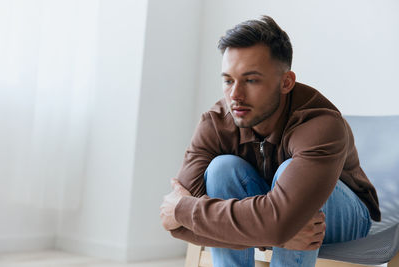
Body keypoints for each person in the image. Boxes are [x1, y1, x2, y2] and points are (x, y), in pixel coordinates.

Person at [160, 15, 380, 267]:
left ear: (286, 82)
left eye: (251, 80)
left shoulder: (320, 125)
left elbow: (181, 213)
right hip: (272, 214)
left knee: (289, 181)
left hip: (343, 219)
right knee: (222, 169)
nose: (235, 95)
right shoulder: (215, 123)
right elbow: (178, 225)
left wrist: (182, 210)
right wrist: (275, 231)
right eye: (228, 80)